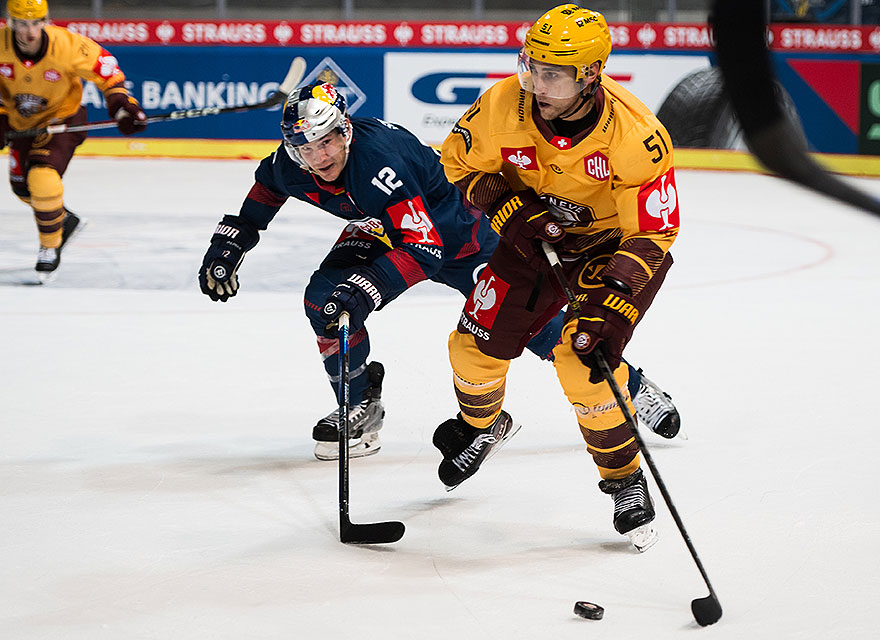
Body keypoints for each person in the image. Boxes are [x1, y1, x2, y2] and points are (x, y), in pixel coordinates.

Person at [197, 80, 680, 463]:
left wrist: (368, 288)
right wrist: (231, 241)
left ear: (345, 130)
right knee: (322, 301)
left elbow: (423, 248)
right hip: (386, 228)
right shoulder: (293, 163)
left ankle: (634, 388)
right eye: (306, 148)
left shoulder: (379, 163)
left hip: (458, 238)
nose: (319, 157)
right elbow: (265, 191)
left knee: (534, 329)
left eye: (327, 141)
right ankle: (360, 405)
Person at [436, 4, 681, 552]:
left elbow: (655, 233)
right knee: (471, 350)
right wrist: (510, 211)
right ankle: (484, 426)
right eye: (531, 65)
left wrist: (611, 299)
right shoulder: (504, 104)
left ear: (591, 75)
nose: (535, 83)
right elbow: (459, 163)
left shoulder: (636, 134)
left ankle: (624, 481)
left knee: (582, 359)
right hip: (531, 243)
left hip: (611, 250)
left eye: (552, 73)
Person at [0, 0, 146, 278]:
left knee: (42, 179)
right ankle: (63, 220)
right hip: (21, 126)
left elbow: (109, 73)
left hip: (61, 121)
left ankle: (49, 247)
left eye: (35, 23)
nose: (29, 32)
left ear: (45, 21)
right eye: (21, 24)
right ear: (10, 22)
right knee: (23, 190)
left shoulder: (67, 45)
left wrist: (122, 105)